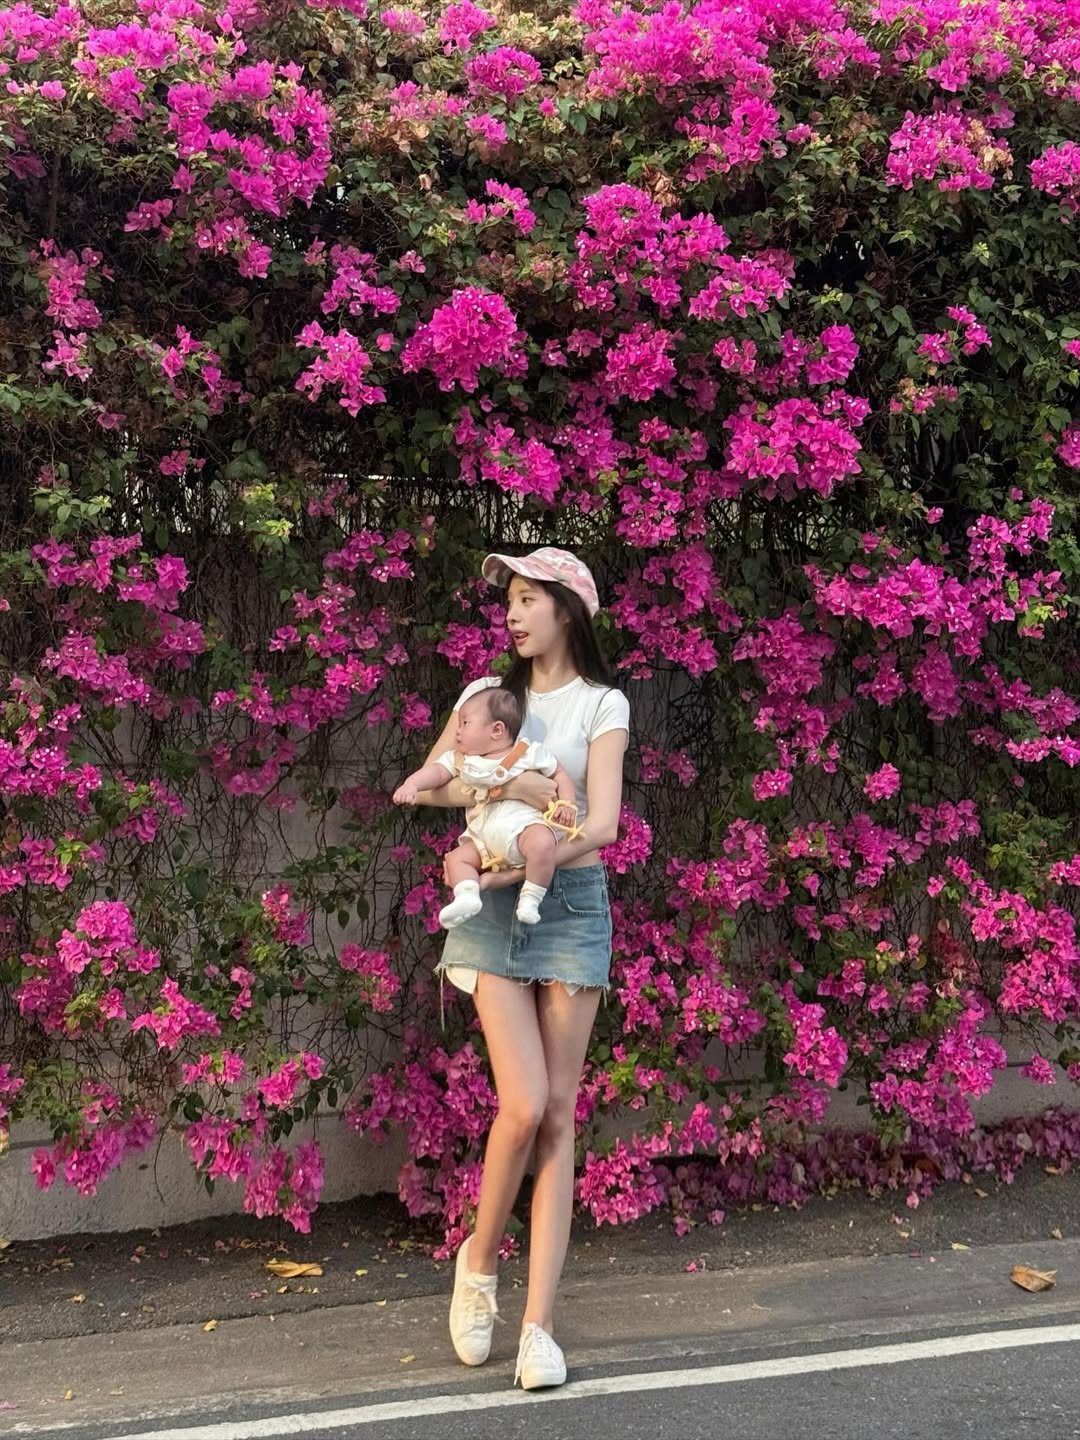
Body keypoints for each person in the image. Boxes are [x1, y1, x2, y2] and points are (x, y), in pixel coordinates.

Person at [411, 545, 629, 1391]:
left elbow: (603, 824)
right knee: (523, 1104)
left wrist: (531, 851)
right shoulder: (484, 697)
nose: (512, 612)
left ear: (567, 610)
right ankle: (477, 1262)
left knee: (559, 1115)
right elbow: (435, 783)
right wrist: (499, 789)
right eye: (509, 599)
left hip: (568, 906)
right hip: (490, 909)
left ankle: (539, 1326)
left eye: (529, 598)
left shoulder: (602, 704)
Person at [393, 686, 581, 929]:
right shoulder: (460, 760)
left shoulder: (527, 753)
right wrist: (412, 784)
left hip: (524, 829)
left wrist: (567, 804)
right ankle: (467, 896)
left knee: (543, 843)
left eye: (465, 723)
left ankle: (531, 897)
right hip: (483, 841)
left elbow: (560, 774)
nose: (458, 730)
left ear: (496, 730)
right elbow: (436, 773)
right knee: (456, 858)